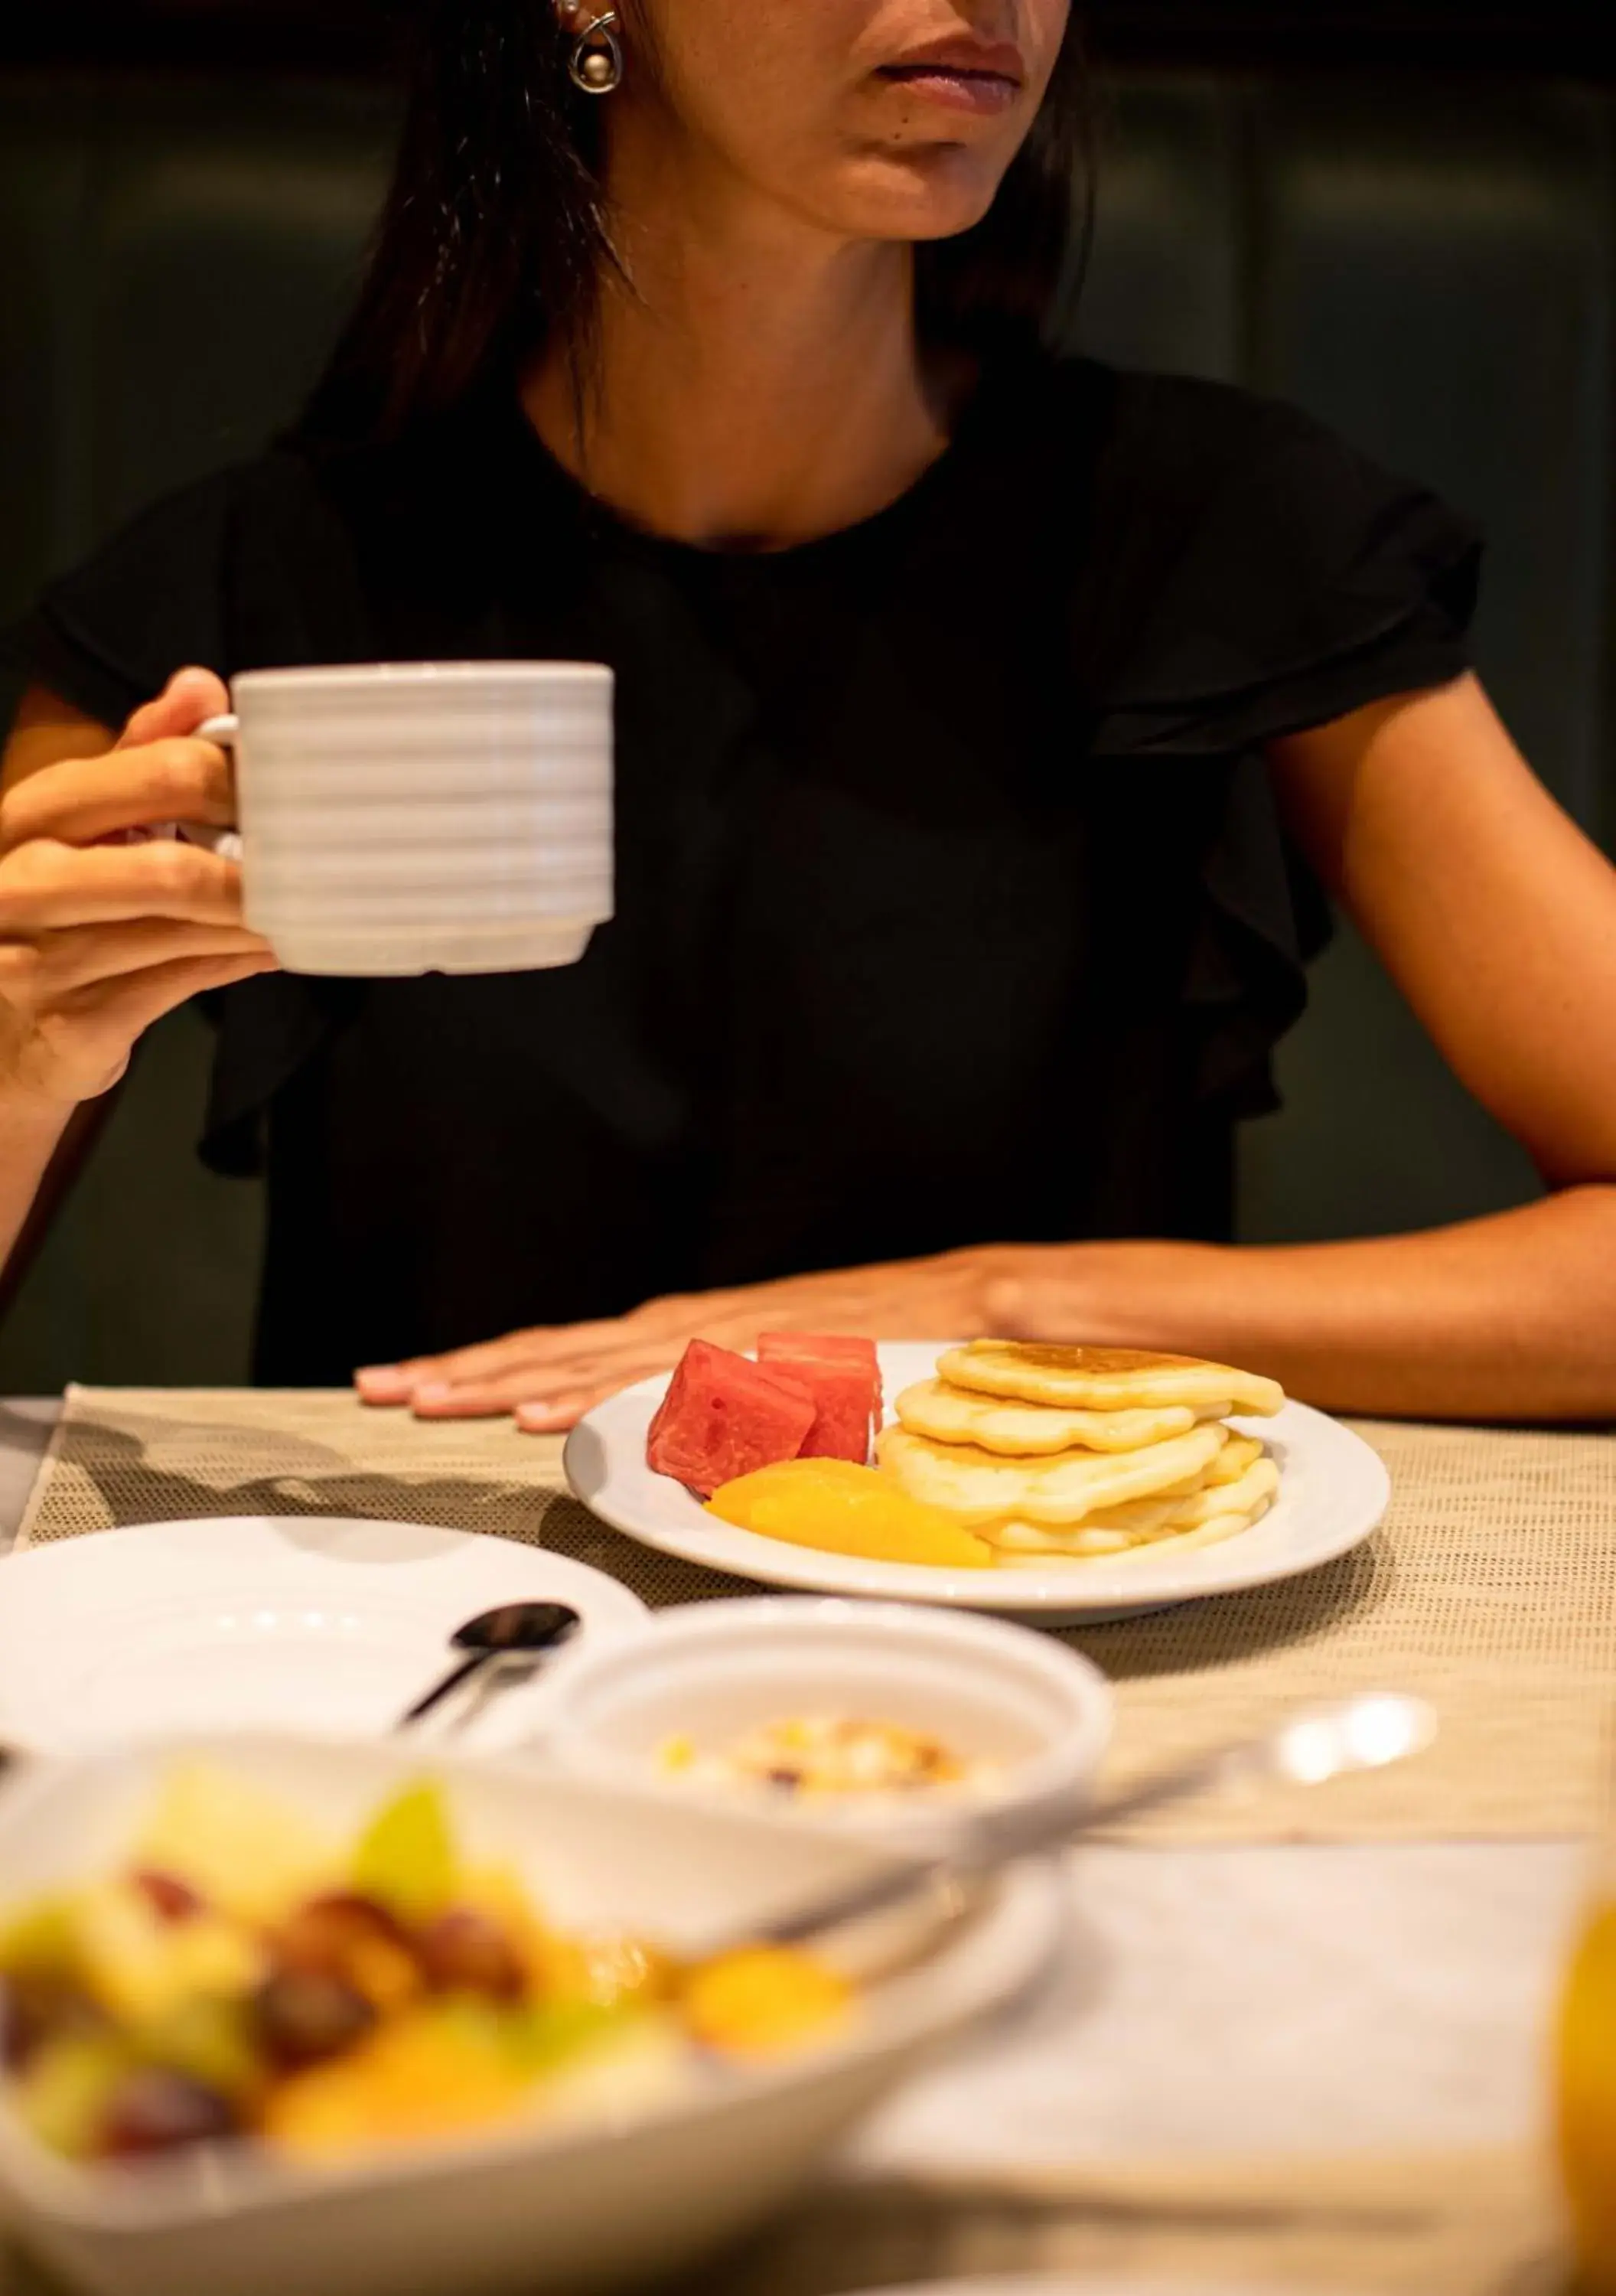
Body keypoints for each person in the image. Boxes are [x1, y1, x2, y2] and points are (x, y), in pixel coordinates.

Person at [5, 0, 1616, 1429]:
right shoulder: (245, 596)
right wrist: (18, 1056)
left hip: (1045, 1671)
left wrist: (1006, 1311)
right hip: (446, 1676)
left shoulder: (1222, 535)